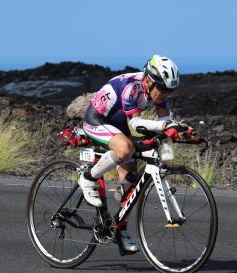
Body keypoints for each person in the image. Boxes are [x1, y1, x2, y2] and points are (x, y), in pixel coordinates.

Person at [78, 54, 183, 253]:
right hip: (97, 119)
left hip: (117, 124)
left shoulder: (160, 95)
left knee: (130, 182)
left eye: (171, 91)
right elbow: (136, 123)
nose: (165, 95)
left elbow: (167, 128)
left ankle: (119, 228)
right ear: (148, 81)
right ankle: (88, 177)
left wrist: (167, 162)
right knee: (126, 149)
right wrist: (164, 126)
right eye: (163, 89)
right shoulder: (131, 87)